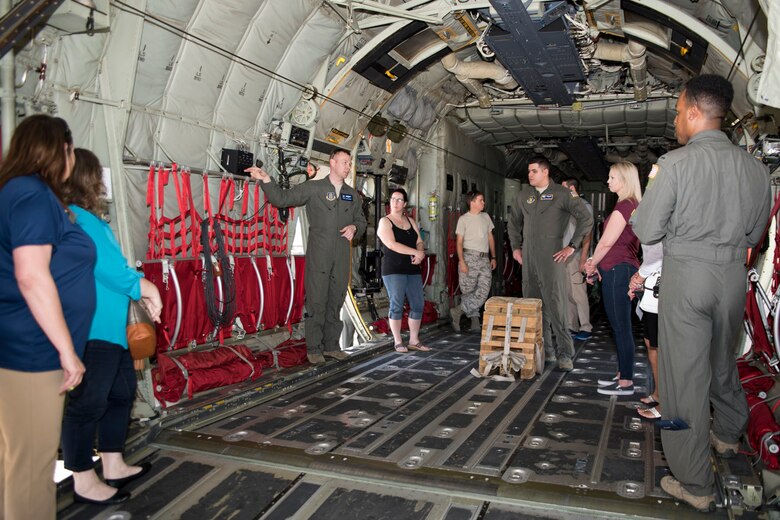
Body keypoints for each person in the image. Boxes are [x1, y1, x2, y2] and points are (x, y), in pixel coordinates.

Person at [632, 74, 771, 512]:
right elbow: (755, 233)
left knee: (682, 380)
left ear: (694, 112)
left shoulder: (674, 165)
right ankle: (729, 434)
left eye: (677, 111)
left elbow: (648, 228)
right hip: (731, 275)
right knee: (721, 360)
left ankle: (695, 482)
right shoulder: (756, 168)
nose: (676, 120)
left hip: (688, 274)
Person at [0, 115, 94, 520]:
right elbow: (31, 275)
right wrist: (67, 351)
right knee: (32, 469)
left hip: (16, 345)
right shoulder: (34, 195)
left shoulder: (13, 191)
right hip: (31, 351)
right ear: (63, 151)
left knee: (15, 460)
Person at [60, 149, 163, 505]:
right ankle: (83, 481)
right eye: (99, 176)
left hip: (114, 328)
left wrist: (136, 286)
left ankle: (113, 463)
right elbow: (108, 270)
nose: (103, 184)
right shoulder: (78, 221)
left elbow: (115, 268)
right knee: (87, 403)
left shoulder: (93, 221)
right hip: (93, 328)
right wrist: (144, 288)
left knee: (120, 395)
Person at [246, 149, 367, 364]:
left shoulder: (352, 194)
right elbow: (282, 199)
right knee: (317, 301)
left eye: (350, 163)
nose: (348, 167)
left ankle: (332, 346)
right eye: (345, 162)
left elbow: (362, 221)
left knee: (335, 302)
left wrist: (354, 228)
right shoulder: (314, 188)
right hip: (319, 255)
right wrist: (266, 179)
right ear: (332, 162)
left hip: (341, 256)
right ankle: (313, 348)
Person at [508, 157, 593, 371]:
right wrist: (516, 248)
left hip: (552, 256)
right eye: (529, 171)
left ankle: (565, 353)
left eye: (534, 171)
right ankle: (545, 351)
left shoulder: (562, 194)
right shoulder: (524, 195)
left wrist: (572, 246)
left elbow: (586, 219)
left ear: (545, 172)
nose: (530, 175)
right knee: (533, 305)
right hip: (528, 257)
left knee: (556, 305)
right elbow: (513, 223)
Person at [584, 162, 642, 396]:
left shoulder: (624, 207)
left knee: (621, 327)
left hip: (618, 269)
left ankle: (626, 381)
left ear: (625, 180)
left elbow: (607, 242)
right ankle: (622, 373)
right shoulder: (633, 206)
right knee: (620, 326)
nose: (608, 181)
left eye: (612, 177)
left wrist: (592, 263)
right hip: (620, 267)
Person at [376, 188, 431, 353]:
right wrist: (416, 252)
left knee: (418, 304)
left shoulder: (411, 221)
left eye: (399, 200)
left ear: (405, 204)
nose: (395, 202)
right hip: (394, 269)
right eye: (393, 199)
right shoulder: (385, 222)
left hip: (412, 268)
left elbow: (419, 241)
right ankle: (398, 341)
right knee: (397, 304)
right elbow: (392, 244)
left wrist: (420, 252)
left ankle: (414, 340)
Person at [451, 191, 496, 332]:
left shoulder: (486, 217)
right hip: (469, 257)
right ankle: (475, 322)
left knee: (483, 290)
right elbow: (459, 242)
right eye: (481, 200)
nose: (483, 203)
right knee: (468, 291)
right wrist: (462, 261)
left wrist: (493, 257)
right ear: (472, 202)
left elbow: (490, 238)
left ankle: (458, 311)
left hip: (484, 258)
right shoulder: (463, 219)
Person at [629, 242, 663, 419]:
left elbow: (658, 252)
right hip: (653, 286)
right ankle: (658, 393)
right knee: (651, 344)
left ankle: (666, 404)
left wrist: (640, 276)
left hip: (665, 289)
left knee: (664, 350)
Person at [561, 179, 593, 341]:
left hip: (576, 254)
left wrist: (583, 258)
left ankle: (586, 326)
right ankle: (571, 326)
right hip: (564, 255)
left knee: (578, 292)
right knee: (567, 293)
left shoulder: (583, 206)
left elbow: (587, 233)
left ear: (572, 188)